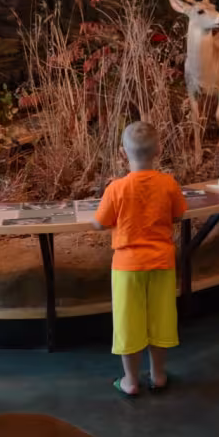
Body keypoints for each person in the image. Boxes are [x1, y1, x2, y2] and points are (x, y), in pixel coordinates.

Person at [93, 121, 187, 397]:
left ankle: (130, 380)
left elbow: (100, 223)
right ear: (159, 150)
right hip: (161, 263)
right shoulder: (168, 183)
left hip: (127, 267)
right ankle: (158, 376)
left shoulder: (116, 188)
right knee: (160, 319)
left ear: (123, 153)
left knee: (128, 322)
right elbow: (179, 214)